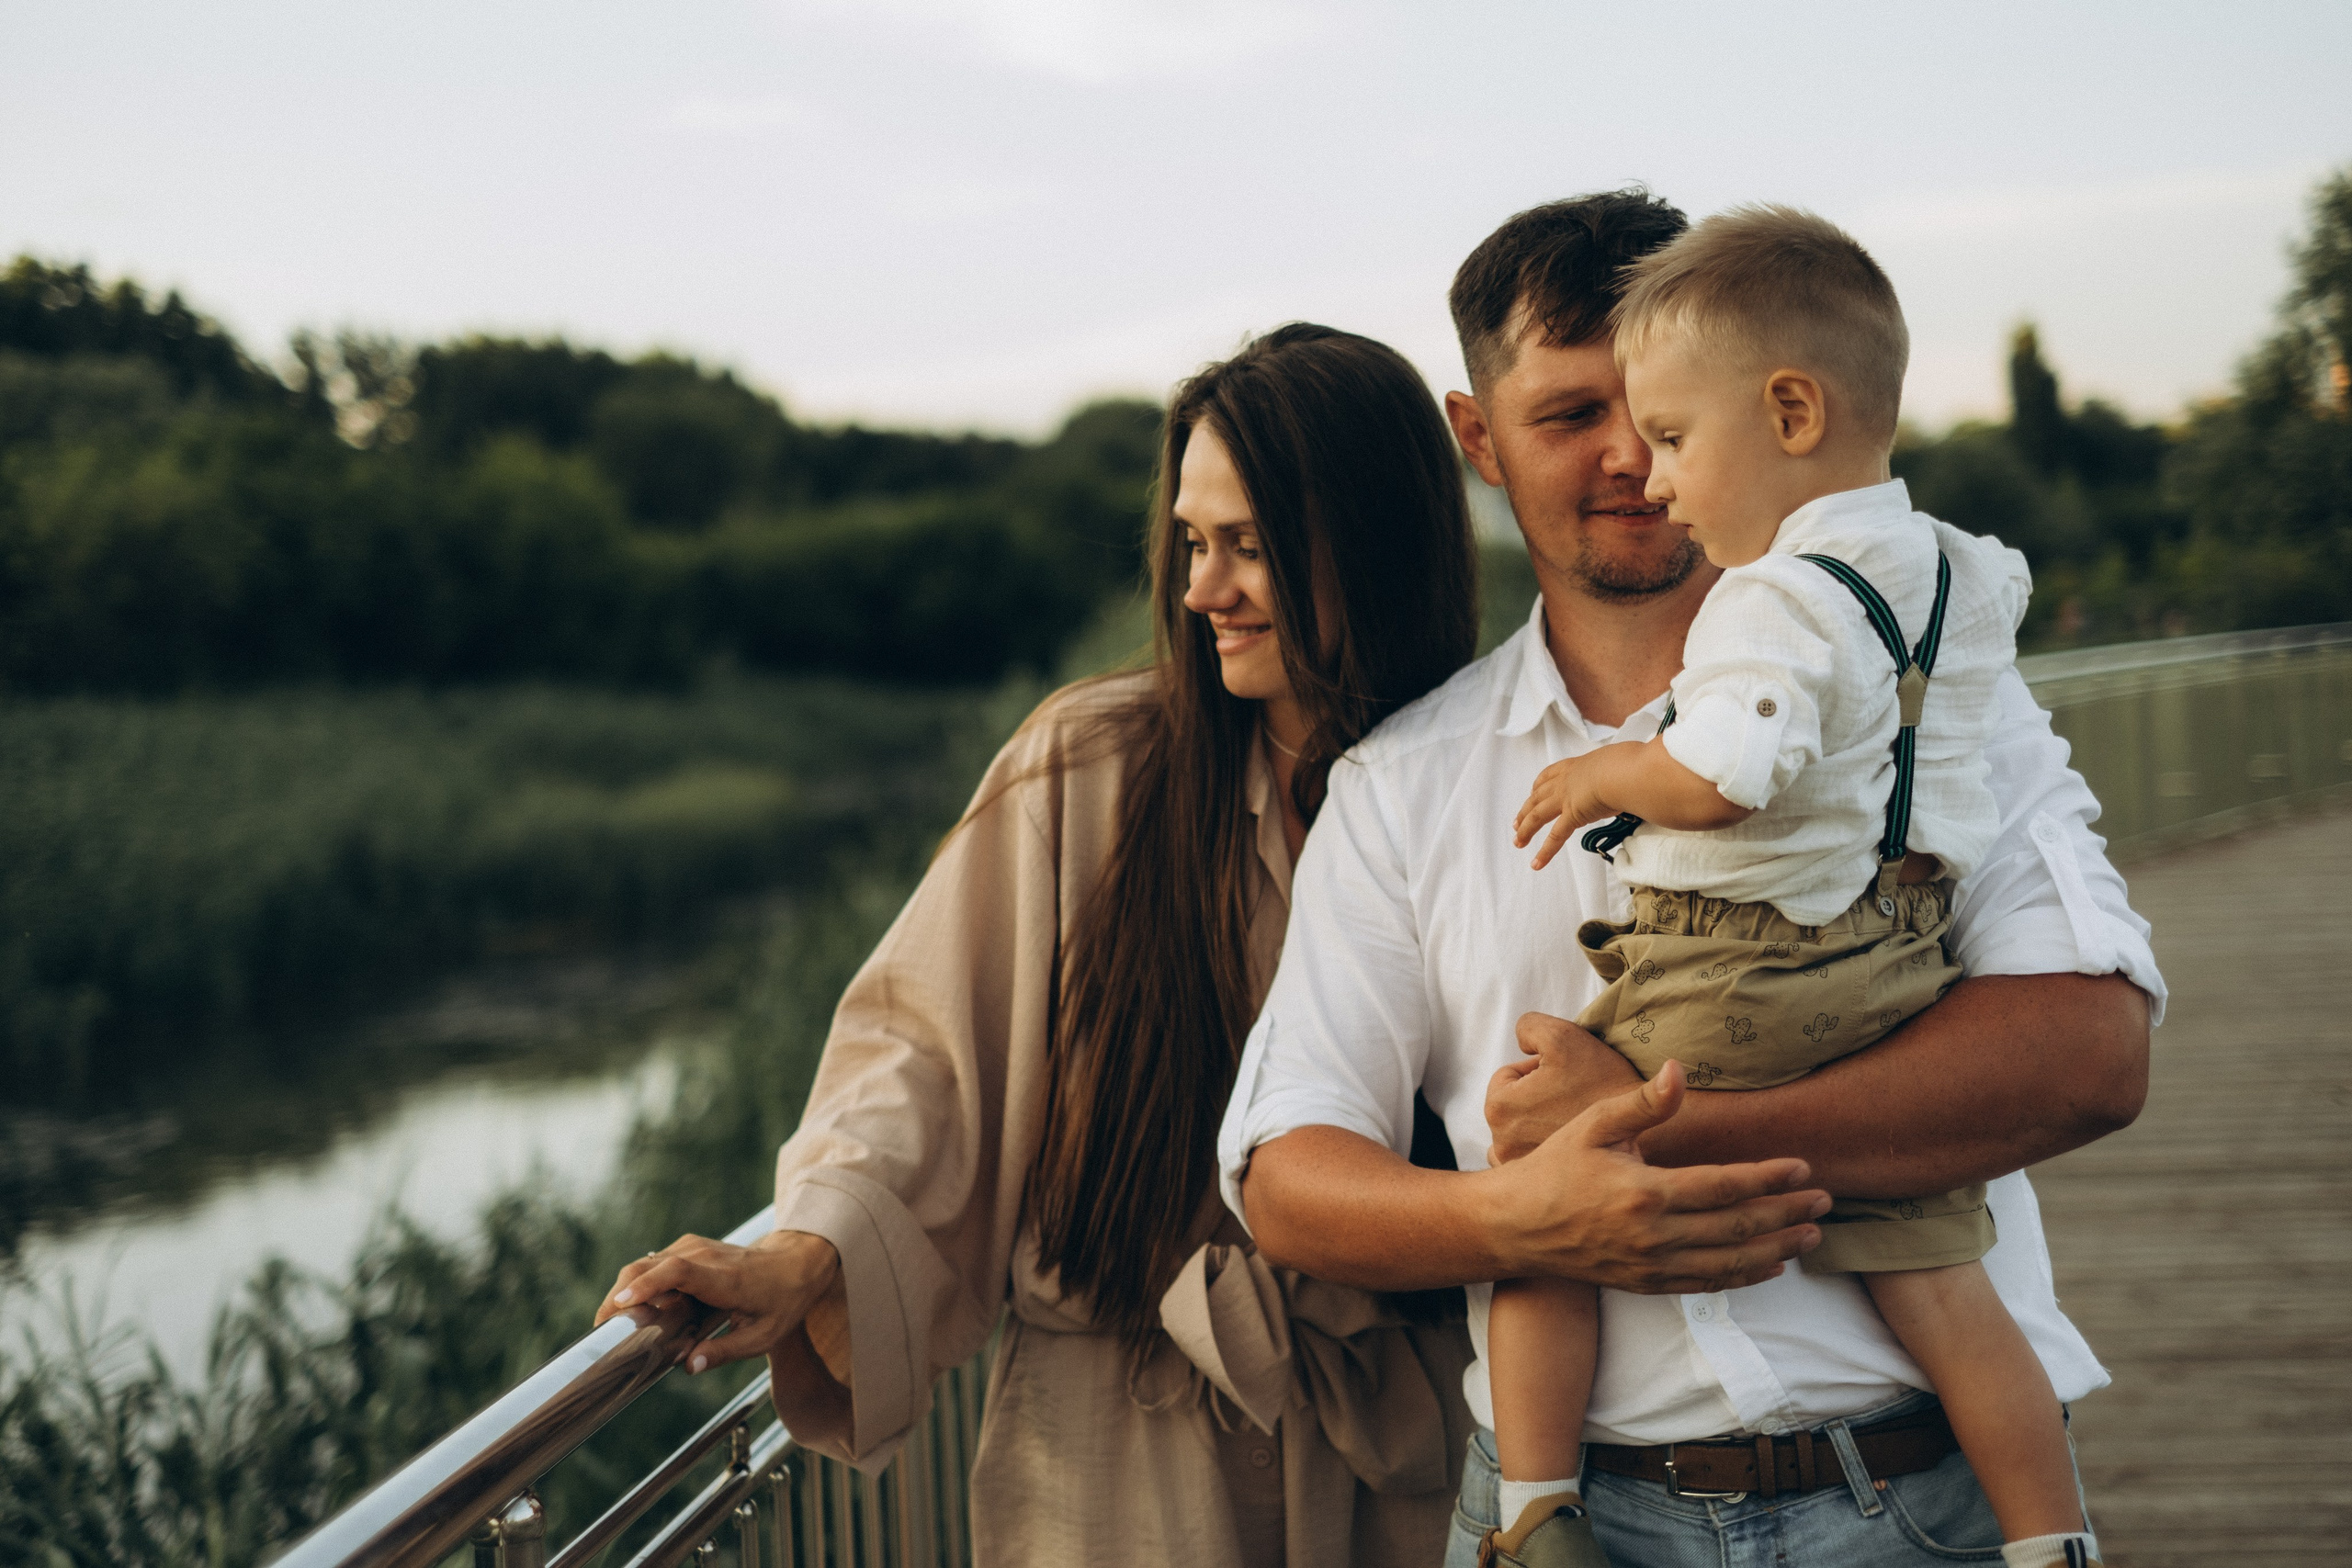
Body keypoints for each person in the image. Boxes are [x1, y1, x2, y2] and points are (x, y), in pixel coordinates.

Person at [593, 322, 1829, 1568]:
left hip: (1407, 1439)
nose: (1202, 589)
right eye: (1192, 543)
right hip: (1119, 1452)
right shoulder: (1089, 766)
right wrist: (801, 1251)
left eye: (1248, 547)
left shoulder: (1495, 775)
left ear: (1371, 545)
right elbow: (922, 1057)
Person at [1216, 191, 2163, 1568]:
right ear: (1476, 440)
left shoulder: (1929, 694)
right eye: (1567, 417)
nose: (1633, 462)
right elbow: (1286, 1174)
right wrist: (1520, 1211)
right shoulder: (1404, 784)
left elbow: (2092, 1056)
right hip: (1572, 1520)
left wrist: (1658, 1133)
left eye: (1660, 415)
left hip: (1919, 1500)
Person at [1488, 206, 2094, 1568]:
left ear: (1792, 410)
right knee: (1943, 1278)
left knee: (1538, 1181)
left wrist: (1610, 775)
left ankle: (1529, 1504)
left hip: (1744, 962)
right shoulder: (1958, 567)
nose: (1653, 478)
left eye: (1673, 438)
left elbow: (1728, 774)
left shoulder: (1768, 594)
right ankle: (2051, 1540)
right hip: (1894, 957)